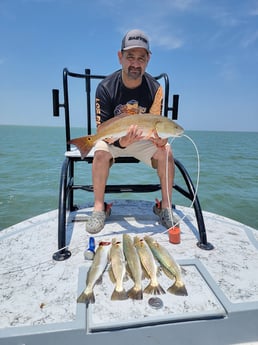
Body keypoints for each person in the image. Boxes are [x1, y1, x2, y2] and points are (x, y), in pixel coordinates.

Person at [86, 29, 178, 234]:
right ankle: (99, 208)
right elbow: (102, 130)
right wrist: (122, 142)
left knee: (167, 152)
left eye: (141, 58)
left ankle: (165, 207)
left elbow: (156, 124)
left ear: (148, 60)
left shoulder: (155, 89)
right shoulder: (105, 87)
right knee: (100, 152)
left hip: (143, 140)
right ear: (120, 57)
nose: (135, 64)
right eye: (130, 57)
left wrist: (161, 141)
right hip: (114, 139)